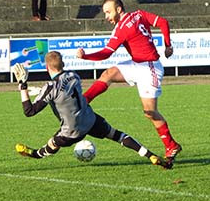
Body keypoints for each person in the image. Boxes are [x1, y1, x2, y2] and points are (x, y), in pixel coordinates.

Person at [13, 51, 171, 169]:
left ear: (47, 67)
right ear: (63, 65)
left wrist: (23, 85)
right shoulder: (74, 76)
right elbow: (63, 90)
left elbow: (29, 111)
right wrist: (40, 91)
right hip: (90, 119)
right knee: (117, 135)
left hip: (72, 130)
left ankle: (35, 154)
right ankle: (151, 156)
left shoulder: (49, 88)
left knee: (53, 144)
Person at [75, 0, 182, 165]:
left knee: (150, 112)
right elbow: (162, 22)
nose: (106, 17)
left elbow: (106, 53)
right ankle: (83, 101)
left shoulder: (122, 29)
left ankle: (171, 145)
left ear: (119, 9)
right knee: (108, 74)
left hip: (150, 67)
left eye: (108, 12)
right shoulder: (139, 14)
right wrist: (168, 45)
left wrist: (86, 56)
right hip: (137, 64)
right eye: (105, 13)